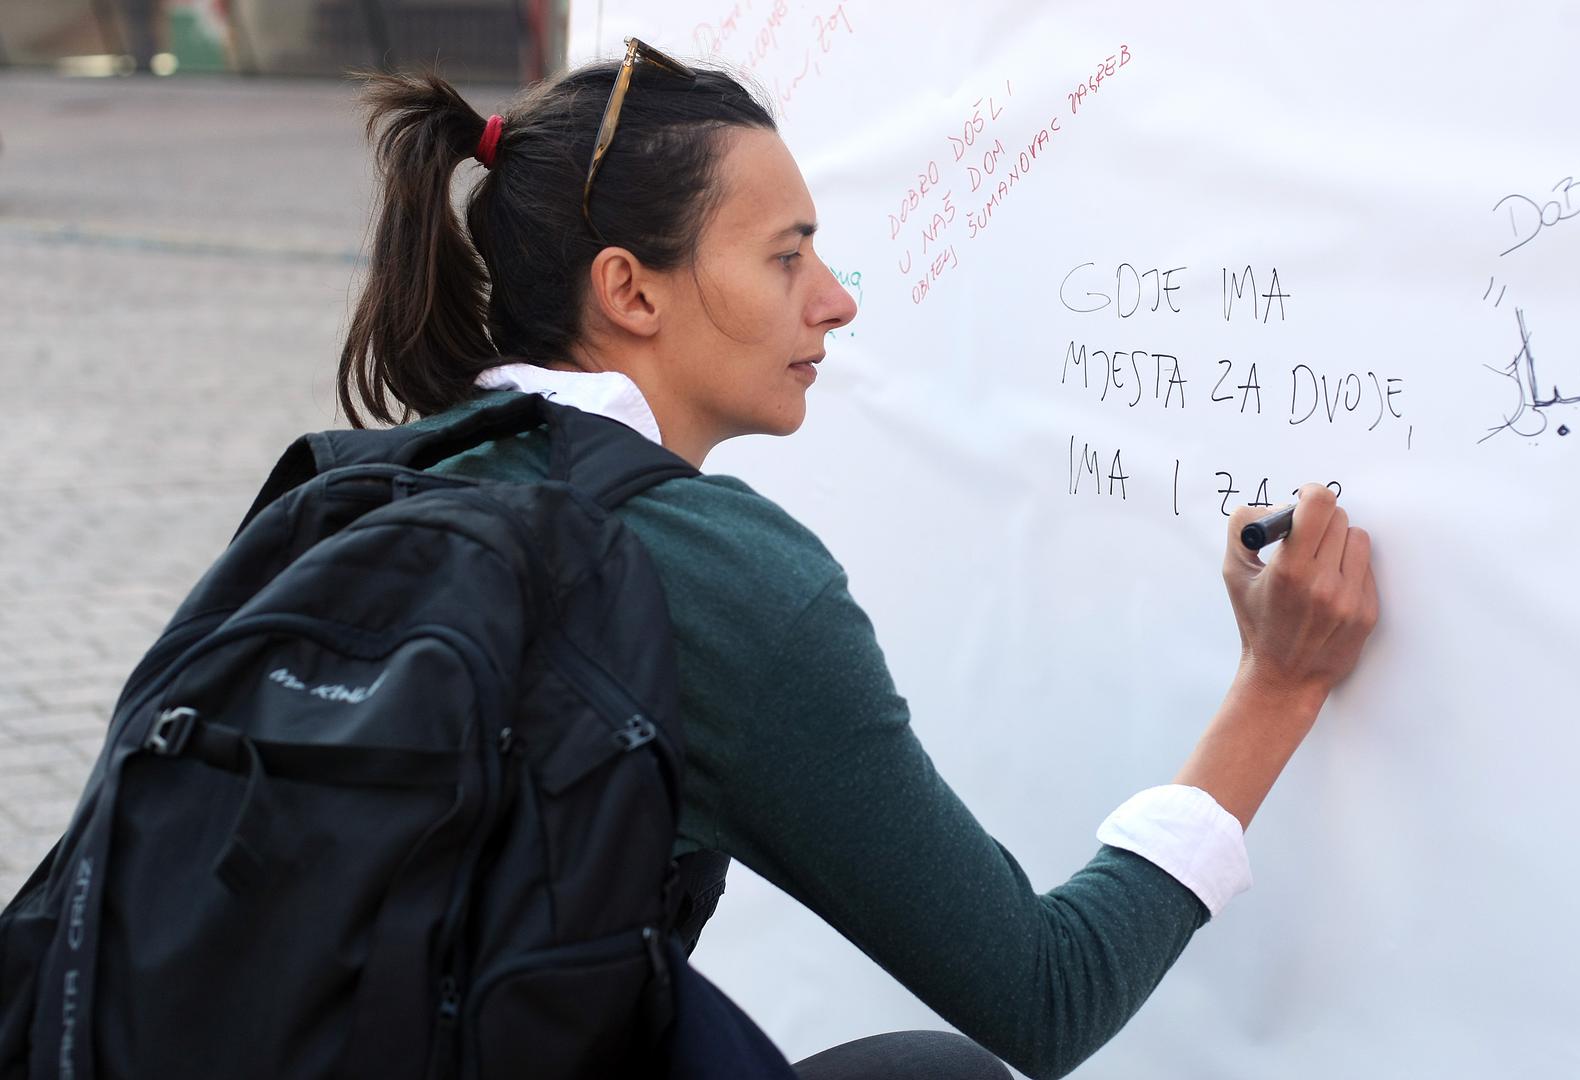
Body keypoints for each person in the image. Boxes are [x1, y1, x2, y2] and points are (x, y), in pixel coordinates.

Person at [336, 41, 1380, 1080]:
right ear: (631, 293)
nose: (837, 300)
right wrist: (1278, 686)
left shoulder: (361, 485)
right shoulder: (705, 578)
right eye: (786, 257)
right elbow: (1047, 995)